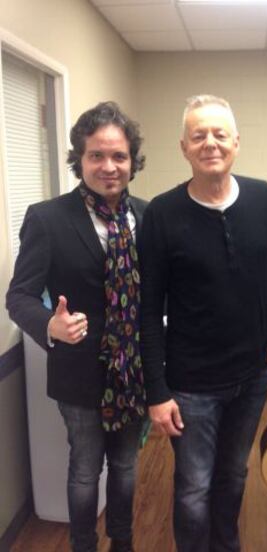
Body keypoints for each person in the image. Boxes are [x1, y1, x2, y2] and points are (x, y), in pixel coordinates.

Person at [139, 94, 267, 552]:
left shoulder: (264, 197)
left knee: (233, 475)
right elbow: (147, 308)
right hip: (191, 386)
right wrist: (157, 392)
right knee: (194, 488)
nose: (210, 143)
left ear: (236, 142)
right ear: (184, 147)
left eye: (219, 134)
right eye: (198, 135)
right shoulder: (161, 214)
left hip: (253, 377)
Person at [6, 101, 149, 552]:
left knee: (125, 467)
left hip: (135, 370)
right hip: (79, 370)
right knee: (86, 469)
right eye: (96, 156)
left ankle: (122, 543)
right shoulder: (47, 219)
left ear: (132, 161)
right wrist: (51, 325)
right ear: (79, 159)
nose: (109, 167)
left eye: (119, 156)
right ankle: (83, 545)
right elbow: (18, 296)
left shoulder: (146, 216)